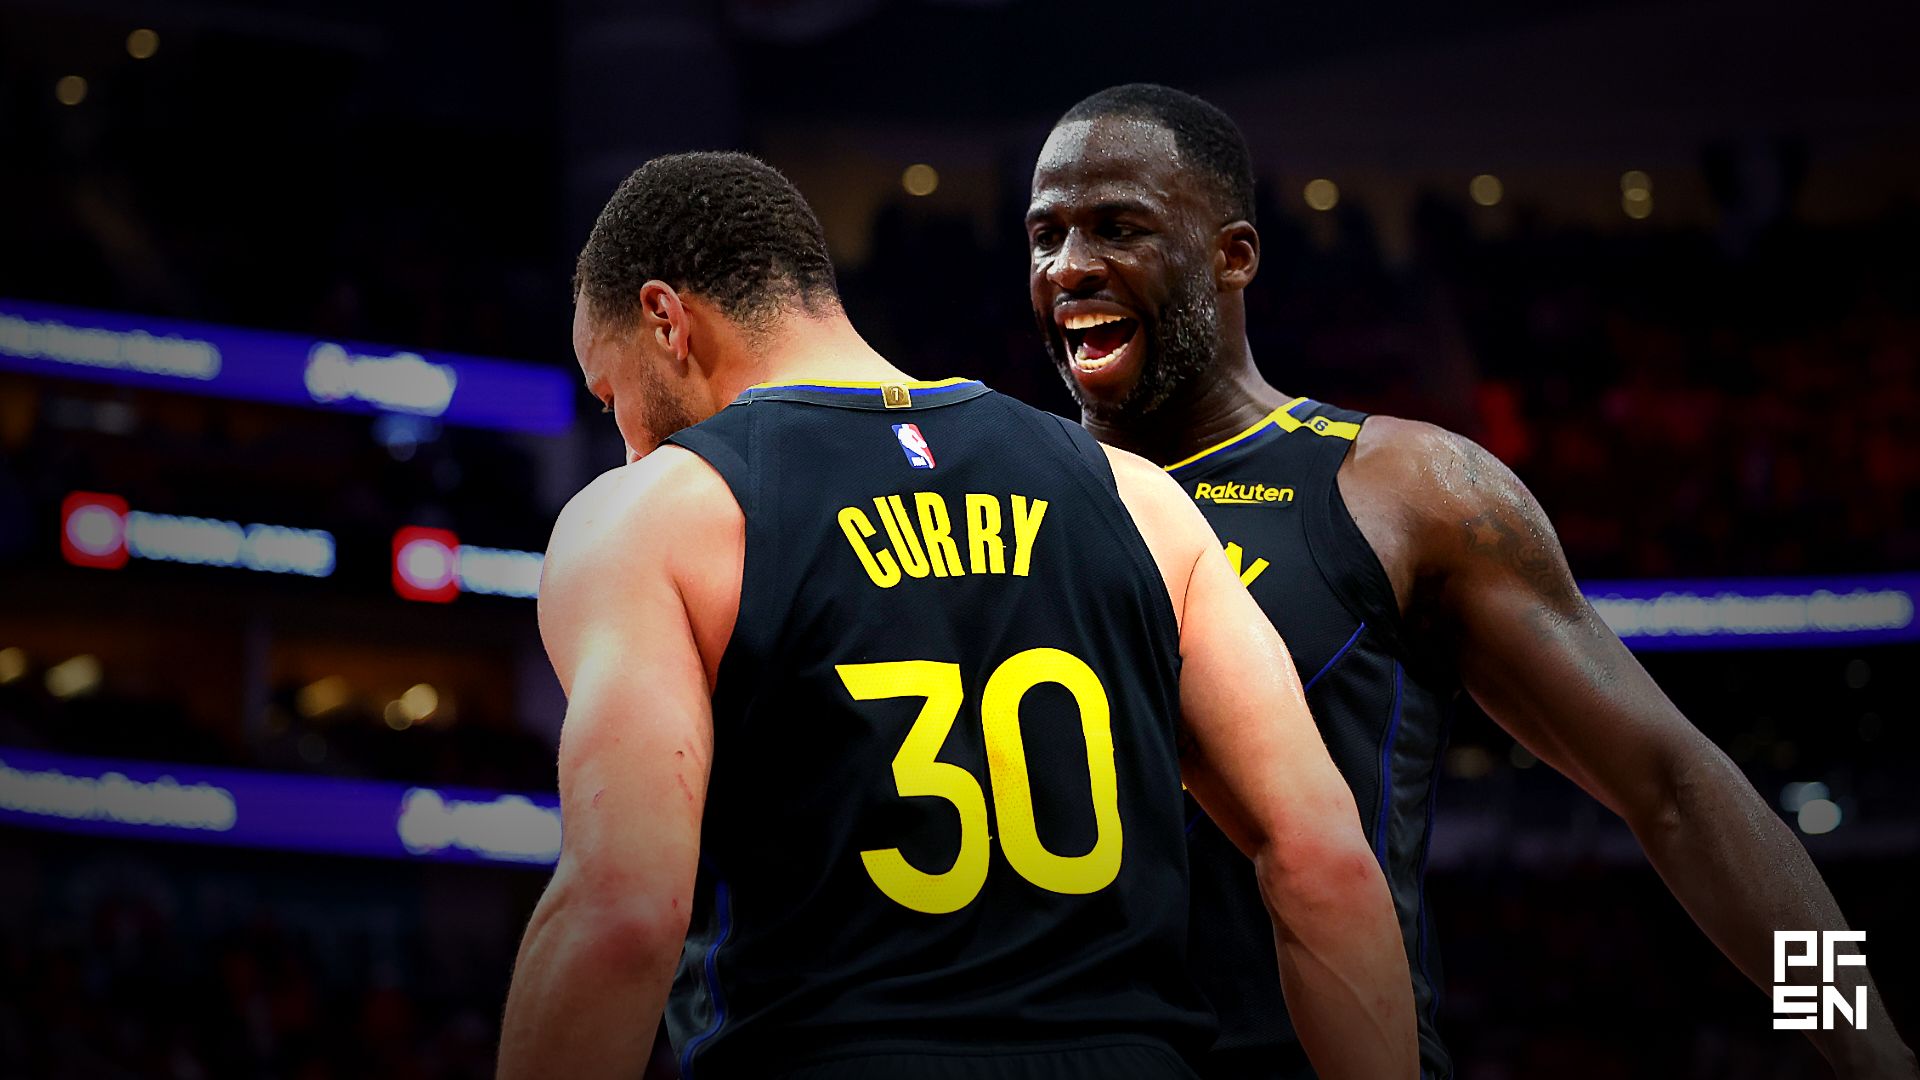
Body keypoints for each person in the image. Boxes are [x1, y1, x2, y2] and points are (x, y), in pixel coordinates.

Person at [1024, 83, 1919, 1080]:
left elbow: (1675, 789)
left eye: (1118, 228)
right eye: (1045, 234)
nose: (1069, 266)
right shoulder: (998, 499)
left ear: (1234, 255)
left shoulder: (1406, 492)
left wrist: (1863, 1042)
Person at [497, 151, 1415, 1080]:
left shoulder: (651, 516)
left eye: (610, 396)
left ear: (666, 319)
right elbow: (1328, 863)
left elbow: (622, 914)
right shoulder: (1138, 496)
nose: (628, 446)